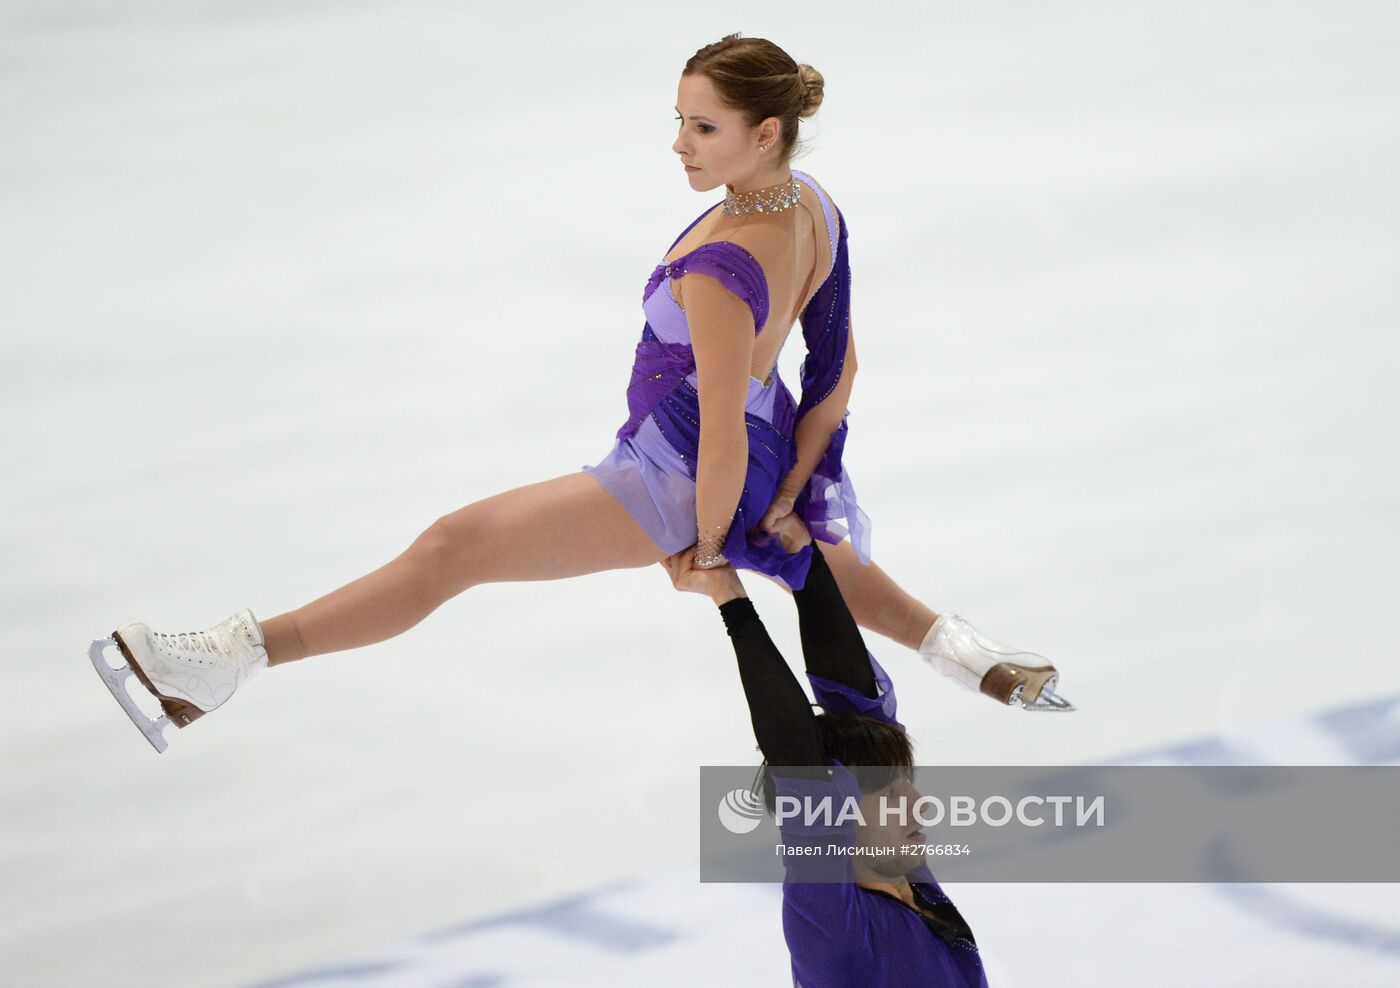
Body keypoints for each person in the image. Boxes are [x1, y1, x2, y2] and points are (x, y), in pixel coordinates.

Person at [87, 34, 1069, 753]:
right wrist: (791, 488)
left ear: (764, 132)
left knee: (451, 548)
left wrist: (715, 541)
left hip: (680, 473)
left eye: (702, 127)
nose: (678, 144)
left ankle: (224, 658)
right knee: (840, 578)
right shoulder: (810, 206)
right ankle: (979, 660)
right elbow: (836, 366)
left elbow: (716, 429)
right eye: (677, 120)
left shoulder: (723, 264)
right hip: (763, 447)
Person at [662, 509, 990, 987]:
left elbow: (861, 712)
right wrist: (727, 596)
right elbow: (800, 767)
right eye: (893, 795)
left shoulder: (897, 872)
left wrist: (803, 557)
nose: (920, 804)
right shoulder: (837, 934)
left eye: (906, 788)